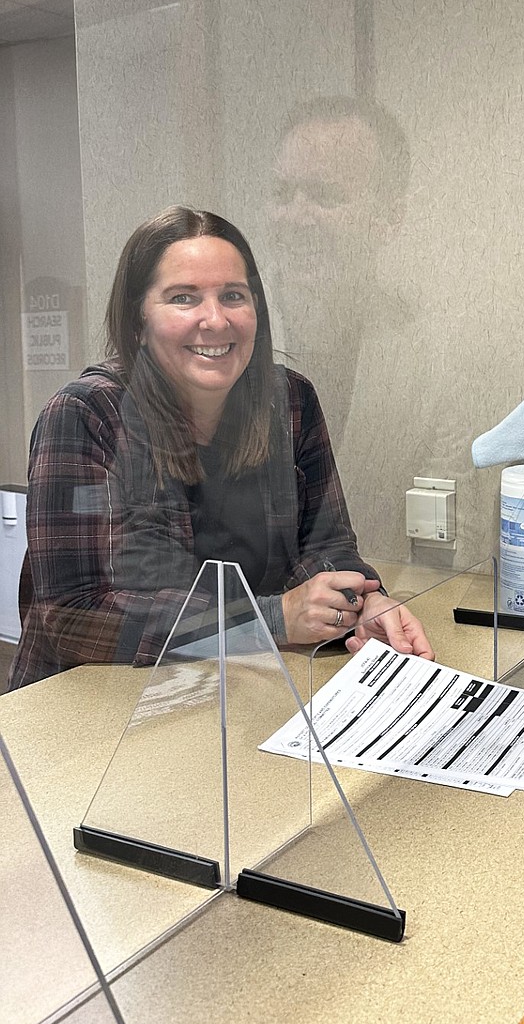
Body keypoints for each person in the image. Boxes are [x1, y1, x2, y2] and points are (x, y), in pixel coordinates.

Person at [9, 206, 432, 689]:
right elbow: (76, 617)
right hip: (92, 710)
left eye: (233, 295)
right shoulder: (86, 415)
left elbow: (326, 547)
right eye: (183, 298)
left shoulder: (290, 401)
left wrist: (361, 604)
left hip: (239, 690)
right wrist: (269, 618)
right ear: (137, 322)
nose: (215, 320)